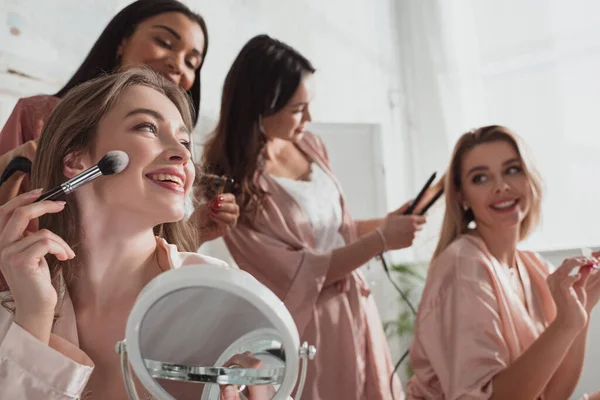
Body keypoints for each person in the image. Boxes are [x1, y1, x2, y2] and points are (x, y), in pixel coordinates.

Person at [0, 68, 267, 400]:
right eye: (147, 127)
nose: (183, 154)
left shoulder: (228, 297)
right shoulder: (16, 312)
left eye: (185, 141)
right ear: (76, 161)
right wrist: (35, 321)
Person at [202, 34, 426, 400]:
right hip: (311, 327)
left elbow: (338, 231)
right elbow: (302, 272)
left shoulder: (310, 145)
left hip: (357, 309)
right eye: (296, 109)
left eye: (308, 105)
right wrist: (383, 240)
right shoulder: (235, 183)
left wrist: (388, 223)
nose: (309, 118)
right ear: (259, 106)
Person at [0, 0, 238, 242]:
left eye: (191, 62)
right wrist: (8, 168)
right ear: (123, 40)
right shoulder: (36, 115)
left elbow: (140, 261)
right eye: (164, 43)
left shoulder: (174, 161)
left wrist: (193, 232)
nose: (177, 64)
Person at [406, 125, 600, 400]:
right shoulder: (464, 266)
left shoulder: (534, 267)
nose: (501, 186)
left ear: (528, 177)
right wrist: (566, 323)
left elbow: (553, 394)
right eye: (480, 178)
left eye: (512, 170)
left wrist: (584, 306)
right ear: (462, 196)